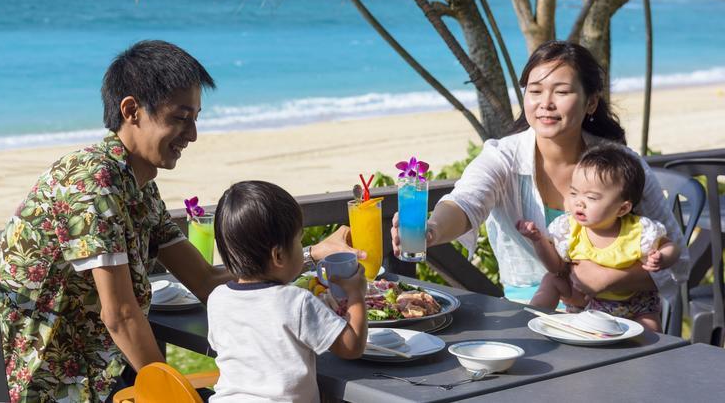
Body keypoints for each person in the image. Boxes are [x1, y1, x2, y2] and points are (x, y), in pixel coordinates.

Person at [0, 40, 362, 403]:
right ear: (131, 111)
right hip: (51, 383)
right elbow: (120, 315)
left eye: (196, 119)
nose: (193, 135)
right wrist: (172, 396)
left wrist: (311, 253)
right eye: (181, 118)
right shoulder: (91, 185)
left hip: (97, 365)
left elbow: (206, 281)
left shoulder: (136, 187)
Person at [391, 40, 688, 310]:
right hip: (530, 312)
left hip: (616, 319)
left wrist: (610, 280)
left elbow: (679, 265)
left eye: (561, 92)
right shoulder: (503, 156)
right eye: (534, 91)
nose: (545, 103)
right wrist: (430, 230)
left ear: (591, 102)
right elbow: (465, 202)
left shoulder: (623, 165)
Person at [206, 181, 369, 402]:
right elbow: (351, 347)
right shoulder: (296, 302)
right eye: (298, 240)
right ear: (279, 256)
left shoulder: (217, 300)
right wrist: (356, 295)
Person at [516, 145, 679, 330]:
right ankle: (532, 318)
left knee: (650, 329)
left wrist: (663, 257)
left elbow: (671, 246)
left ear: (622, 208)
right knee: (552, 279)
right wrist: (538, 240)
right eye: (573, 193)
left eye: (591, 197)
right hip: (584, 301)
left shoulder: (638, 230)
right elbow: (556, 267)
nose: (579, 202)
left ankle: (651, 353)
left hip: (633, 304)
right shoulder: (569, 229)